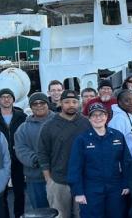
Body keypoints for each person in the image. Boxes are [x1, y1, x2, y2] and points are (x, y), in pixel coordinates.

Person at [68, 102, 131, 218]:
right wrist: (78, 192)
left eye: (101, 115)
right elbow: (75, 167)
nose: (98, 118)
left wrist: (126, 184)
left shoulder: (117, 136)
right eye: (94, 115)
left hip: (115, 188)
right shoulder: (82, 139)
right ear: (89, 118)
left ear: (107, 117)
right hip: (91, 189)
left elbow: (126, 162)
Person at [38, 90, 91, 218]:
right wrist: (49, 180)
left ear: (79, 103)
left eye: (74, 102)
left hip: (83, 180)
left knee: (83, 215)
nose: (71, 105)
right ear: (60, 103)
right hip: (58, 181)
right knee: (60, 215)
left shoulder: (87, 123)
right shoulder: (48, 126)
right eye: (67, 102)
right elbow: (42, 153)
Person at [0, 88, 27, 218]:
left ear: (13, 99)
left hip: (18, 158)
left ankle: (19, 214)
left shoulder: (22, 117)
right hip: (0, 160)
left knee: (20, 191)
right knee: (1, 192)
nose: (6, 99)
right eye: (3, 97)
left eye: (9, 96)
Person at [14, 92, 56, 209]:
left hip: (59, 177)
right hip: (35, 178)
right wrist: (38, 160)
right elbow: (21, 149)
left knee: (62, 210)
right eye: (35, 103)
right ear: (30, 107)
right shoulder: (23, 128)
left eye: (42, 102)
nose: (39, 105)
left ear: (47, 104)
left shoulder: (59, 121)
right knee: (40, 211)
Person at [109, 89, 132, 159]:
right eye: (127, 100)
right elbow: (115, 146)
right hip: (129, 163)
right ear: (119, 102)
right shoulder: (118, 120)